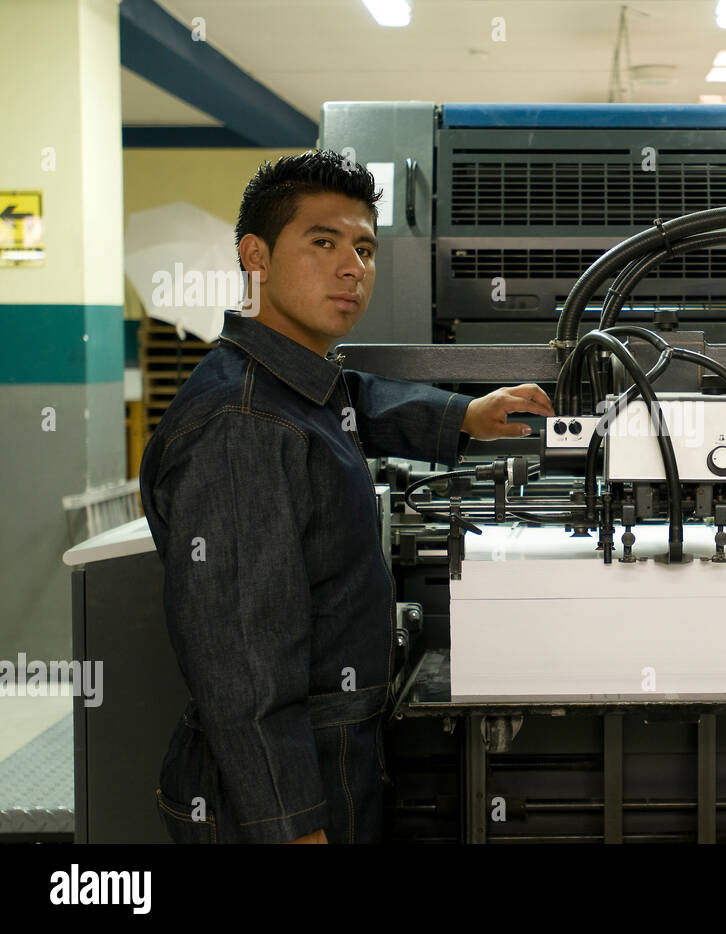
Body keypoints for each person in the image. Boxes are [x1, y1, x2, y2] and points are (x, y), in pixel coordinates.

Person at [138, 150, 553, 843]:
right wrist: (295, 828)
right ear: (256, 257)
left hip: (333, 752)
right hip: (275, 792)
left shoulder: (283, 382)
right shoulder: (242, 428)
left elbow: (350, 398)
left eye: (364, 247)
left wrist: (462, 417)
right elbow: (245, 672)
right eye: (323, 242)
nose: (351, 267)